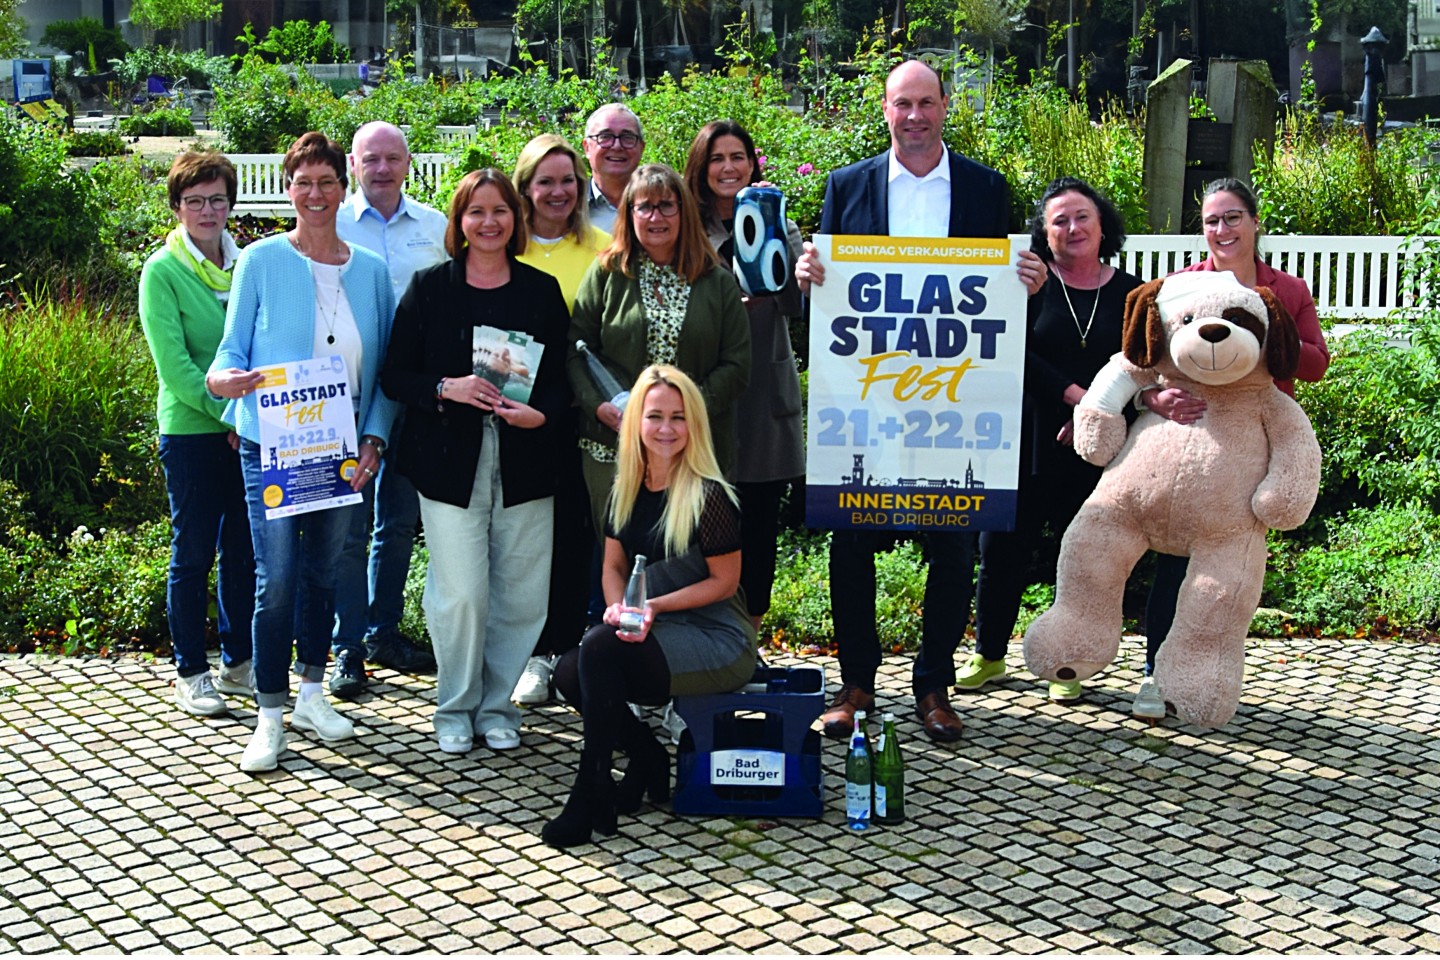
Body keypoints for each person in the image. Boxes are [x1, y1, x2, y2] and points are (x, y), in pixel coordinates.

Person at [794, 59, 1047, 743]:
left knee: (954, 541)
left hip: (955, 401)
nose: (914, 117)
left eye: (925, 104)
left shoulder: (986, 190)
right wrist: (808, 274)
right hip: (867, 396)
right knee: (850, 540)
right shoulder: (847, 187)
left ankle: (934, 685)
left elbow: (1002, 291)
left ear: (944, 107)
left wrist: (1029, 277)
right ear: (884, 110)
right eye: (901, 105)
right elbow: (824, 292)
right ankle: (857, 683)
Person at [207, 131, 398, 773]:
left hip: (341, 449)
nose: (315, 194)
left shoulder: (370, 271)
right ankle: (268, 714)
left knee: (325, 570)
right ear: (288, 189)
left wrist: (375, 438)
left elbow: (387, 373)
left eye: (326, 182)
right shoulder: (260, 261)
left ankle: (313, 694)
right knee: (278, 577)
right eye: (303, 182)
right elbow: (230, 352)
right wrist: (222, 382)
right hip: (272, 447)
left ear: (343, 187)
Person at [380, 168, 572, 755]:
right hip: (448, 461)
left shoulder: (540, 291)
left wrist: (540, 415)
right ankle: (454, 705)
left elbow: (564, 383)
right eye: (476, 212)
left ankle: (497, 705)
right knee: (460, 592)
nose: (489, 223)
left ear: (516, 220)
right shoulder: (429, 287)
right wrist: (446, 387)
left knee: (520, 593)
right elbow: (394, 377)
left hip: (526, 460)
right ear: (459, 222)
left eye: (500, 212)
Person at [1134, 176, 1330, 717]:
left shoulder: (1286, 291)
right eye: (1212, 220)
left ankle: (1202, 681)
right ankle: (1155, 676)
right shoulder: (1180, 287)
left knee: (1225, 575)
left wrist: (1269, 333)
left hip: (1249, 450)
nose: (1222, 230)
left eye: (1232, 217)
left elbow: (1316, 363)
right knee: (1172, 566)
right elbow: (1139, 365)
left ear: (1255, 221)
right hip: (1187, 447)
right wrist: (1154, 400)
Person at [543, 365, 755, 849]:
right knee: (569, 673)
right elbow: (612, 570)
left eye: (678, 417)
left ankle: (588, 791)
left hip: (717, 637)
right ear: (635, 420)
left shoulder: (709, 494)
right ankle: (647, 759)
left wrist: (650, 606)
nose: (666, 428)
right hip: (653, 632)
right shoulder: (625, 489)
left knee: (597, 653)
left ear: (693, 424)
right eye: (655, 415)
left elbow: (726, 582)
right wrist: (622, 613)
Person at [963, 178, 1144, 703]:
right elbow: (1008, 351)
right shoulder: (1028, 287)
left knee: (1083, 556)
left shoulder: (1132, 291)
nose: (1072, 228)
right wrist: (1073, 397)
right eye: (1059, 221)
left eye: (1082, 216)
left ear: (1102, 222)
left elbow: (1139, 364)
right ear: (1044, 234)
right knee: (1001, 547)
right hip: (1028, 433)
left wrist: (1095, 410)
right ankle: (990, 652)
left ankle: (1069, 663)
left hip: (1098, 444)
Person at [566, 163, 750, 541]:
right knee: (615, 559)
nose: (655, 217)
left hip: (696, 445)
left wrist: (683, 413)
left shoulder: (716, 280)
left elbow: (737, 364)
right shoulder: (606, 273)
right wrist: (595, 404)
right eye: (644, 207)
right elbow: (576, 348)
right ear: (629, 214)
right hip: (612, 443)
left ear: (683, 212)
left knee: (688, 557)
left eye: (667, 206)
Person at [329, 120, 448, 700]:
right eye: (369, 159)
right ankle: (346, 646)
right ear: (353, 164)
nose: (381, 168)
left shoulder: (435, 227)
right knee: (348, 529)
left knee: (397, 522)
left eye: (391, 158)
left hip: (411, 396)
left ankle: (382, 634)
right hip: (343, 399)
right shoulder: (331, 224)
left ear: (409, 164)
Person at [139, 150, 254, 718]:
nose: (208, 210)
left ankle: (238, 663)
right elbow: (179, 371)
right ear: (177, 207)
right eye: (195, 201)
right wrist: (234, 420)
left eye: (217, 199)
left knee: (242, 551)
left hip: (246, 433)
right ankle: (190, 670)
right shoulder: (163, 272)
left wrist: (250, 422)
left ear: (231, 203)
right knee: (193, 552)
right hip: (192, 432)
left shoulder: (246, 264)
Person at [682, 120, 804, 630]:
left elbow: (802, 306)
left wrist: (794, 282)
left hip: (761, 394)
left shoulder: (781, 224)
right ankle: (699, 636)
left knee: (757, 525)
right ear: (701, 166)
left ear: (754, 163)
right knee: (697, 520)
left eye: (738, 157)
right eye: (717, 158)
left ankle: (747, 640)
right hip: (702, 393)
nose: (729, 168)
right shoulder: (686, 226)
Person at [510, 134, 612, 706]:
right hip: (516, 420)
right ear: (526, 187)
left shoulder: (603, 247)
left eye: (567, 180)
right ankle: (520, 652)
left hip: (581, 419)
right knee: (524, 544)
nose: (557, 191)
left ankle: (558, 653)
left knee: (576, 542)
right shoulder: (507, 245)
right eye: (544, 181)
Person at [582, 103, 645, 232]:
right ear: (587, 147)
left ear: (641, 148)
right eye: (605, 137)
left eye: (627, 137)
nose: (616, 146)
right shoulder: (569, 209)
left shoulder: (662, 208)